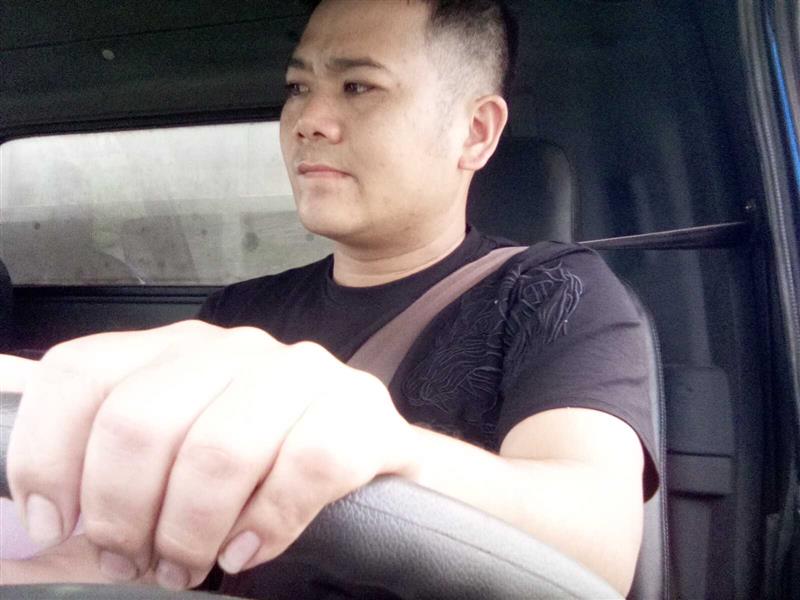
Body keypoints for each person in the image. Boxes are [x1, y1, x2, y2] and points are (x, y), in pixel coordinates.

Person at [0, 0, 658, 595]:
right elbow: (132, 560)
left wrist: (394, 450)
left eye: (358, 86)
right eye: (297, 87)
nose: (306, 121)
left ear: (475, 132)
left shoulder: (555, 293)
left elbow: (597, 546)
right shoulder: (237, 313)